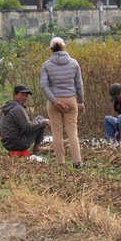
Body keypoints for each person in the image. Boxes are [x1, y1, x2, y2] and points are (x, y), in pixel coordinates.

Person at [40, 37, 85, 168]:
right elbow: (79, 85)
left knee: (57, 133)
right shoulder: (74, 63)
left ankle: (61, 163)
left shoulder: (46, 65)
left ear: (51, 49)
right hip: (71, 100)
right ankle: (77, 162)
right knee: (72, 132)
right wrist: (81, 102)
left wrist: (54, 101)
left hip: (54, 102)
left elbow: (44, 85)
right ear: (64, 47)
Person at [0, 84, 50, 154]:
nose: (24, 97)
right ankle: (36, 149)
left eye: (26, 95)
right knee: (41, 119)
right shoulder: (17, 108)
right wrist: (44, 122)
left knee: (39, 118)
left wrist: (7, 138)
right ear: (15, 94)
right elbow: (28, 127)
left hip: (6, 144)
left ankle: (36, 147)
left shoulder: (7, 106)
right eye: (22, 95)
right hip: (18, 144)